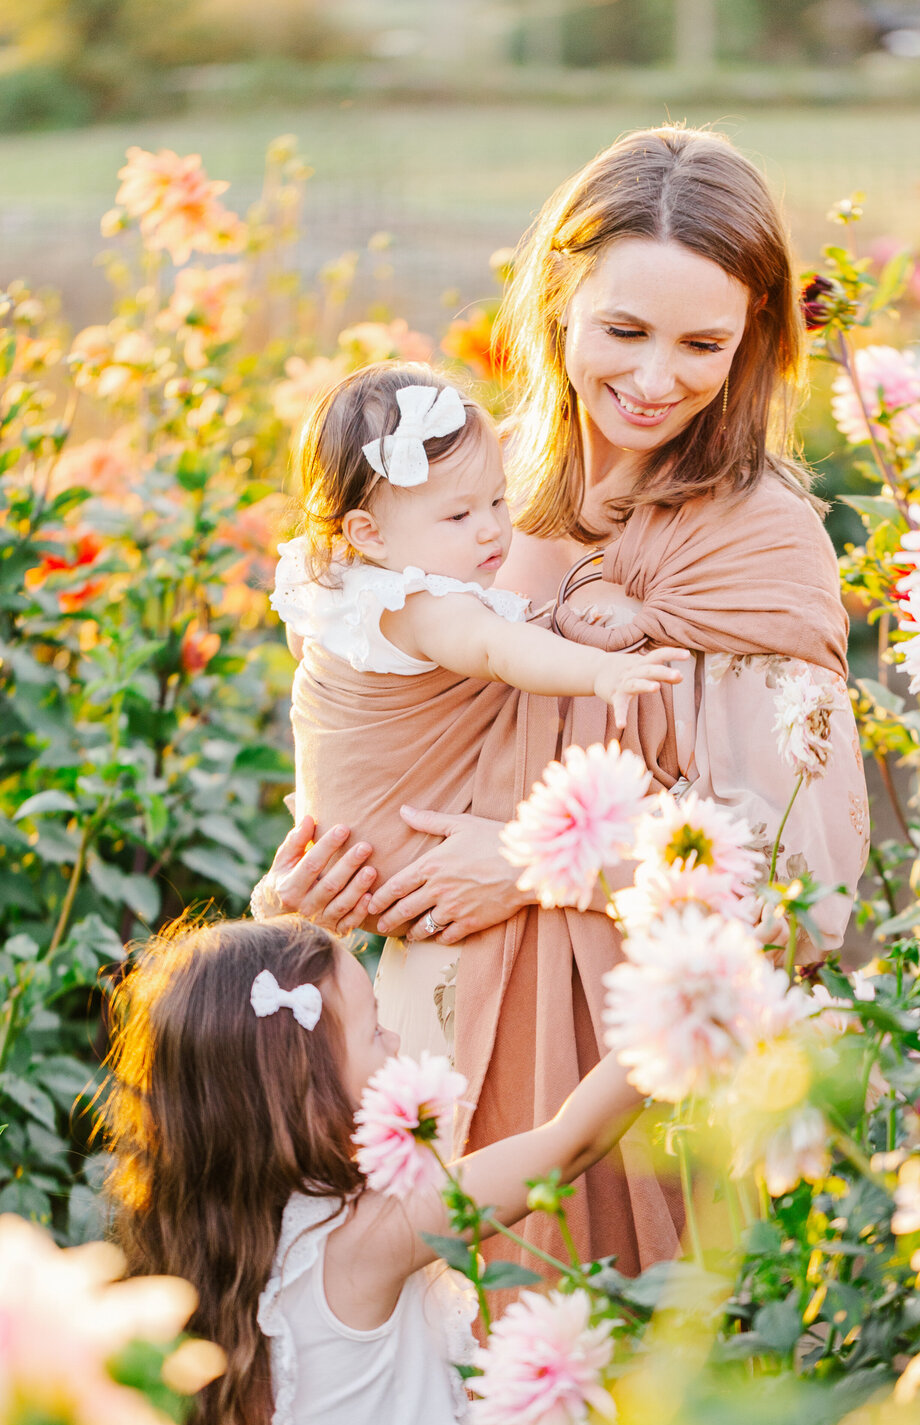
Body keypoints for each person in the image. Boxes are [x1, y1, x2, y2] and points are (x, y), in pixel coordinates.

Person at [253, 125, 869, 1280]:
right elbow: (360, 751)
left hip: (628, 1094)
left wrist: (544, 858)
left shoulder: (760, 551)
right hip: (425, 1051)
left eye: (703, 344)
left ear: (756, 345)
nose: (654, 379)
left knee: (609, 1394)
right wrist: (302, 898)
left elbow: (806, 886)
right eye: (623, 331)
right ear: (557, 305)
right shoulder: (464, 503)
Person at [102, 914, 642, 1425]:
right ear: (306, 1098)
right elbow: (570, 1142)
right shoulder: (370, 1238)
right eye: (375, 1032)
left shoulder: (221, 1239)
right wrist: (685, 1003)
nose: (396, 1043)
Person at [273, 362, 685, 861]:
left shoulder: (343, 580)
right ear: (370, 533)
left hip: (346, 837)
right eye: (459, 515)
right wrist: (601, 670)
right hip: (407, 840)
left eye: (497, 500)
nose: (491, 528)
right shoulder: (422, 606)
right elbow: (498, 649)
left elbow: (306, 650)